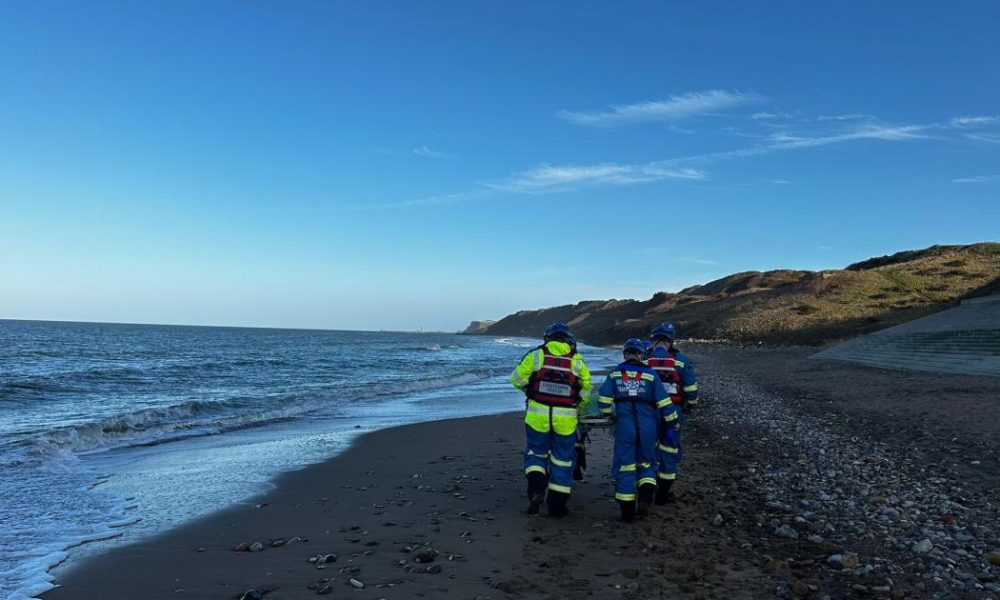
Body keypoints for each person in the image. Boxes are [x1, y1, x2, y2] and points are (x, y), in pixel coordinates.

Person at [510, 322, 592, 516]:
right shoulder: (577, 361)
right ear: (568, 340)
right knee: (563, 460)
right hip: (566, 419)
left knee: (535, 454)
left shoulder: (536, 355)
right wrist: (578, 407)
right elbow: (586, 390)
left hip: (537, 415)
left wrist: (530, 391)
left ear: (547, 338)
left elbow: (516, 378)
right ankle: (557, 505)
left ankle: (536, 491)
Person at [596, 338, 672, 522]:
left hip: (624, 425)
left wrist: (609, 414)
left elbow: (603, 400)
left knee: (625, 466)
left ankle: (627, 512)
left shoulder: (615, 374)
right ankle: (645, 500)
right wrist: (673, 421)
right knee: (647, 463)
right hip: (648, 426)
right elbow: (664, 403)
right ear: (641, 355)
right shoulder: (651, 375)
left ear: (625, 354)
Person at [646, 323, 699, 504]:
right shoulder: (681, 361)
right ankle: (663, 495)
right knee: (669, 449)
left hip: (649, 414)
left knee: (648, 449)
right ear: (671, 341)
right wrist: (690, 405)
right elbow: (691, 389)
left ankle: (646, 488)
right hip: (673, 415)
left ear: (652, 340)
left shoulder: (644, 361)